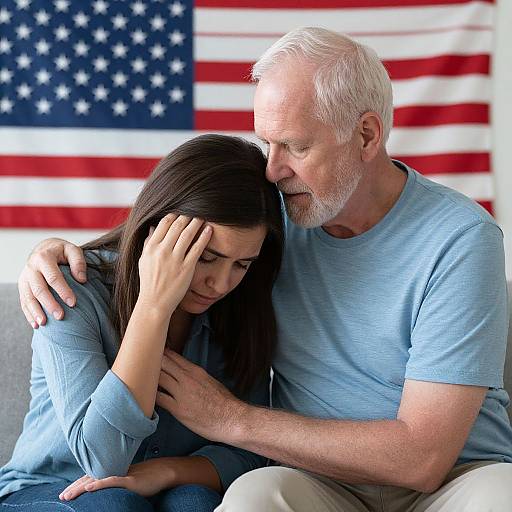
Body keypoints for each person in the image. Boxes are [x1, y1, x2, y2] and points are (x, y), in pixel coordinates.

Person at [16, 27, 512, 511]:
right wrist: (49, 254)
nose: (272, 169)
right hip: (319, 480)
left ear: (365, 135)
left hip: (454, 479)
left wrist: (229, 418)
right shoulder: (272, 219)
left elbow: (422, 458)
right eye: (267, 143)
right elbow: (161, 235)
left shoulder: (460, 240)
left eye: (295, 146)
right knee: (251, 498)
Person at [0, 134, 284, 512]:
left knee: (195, 504)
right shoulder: (70, 292)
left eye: (241, 264)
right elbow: (102, 459)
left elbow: (250, 452)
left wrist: (167, 471)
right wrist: (154, 305)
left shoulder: (241, 308)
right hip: (53, 487)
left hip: (168, 489)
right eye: (205, 258)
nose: (221, 284)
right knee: (115, 505)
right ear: (156, 234)